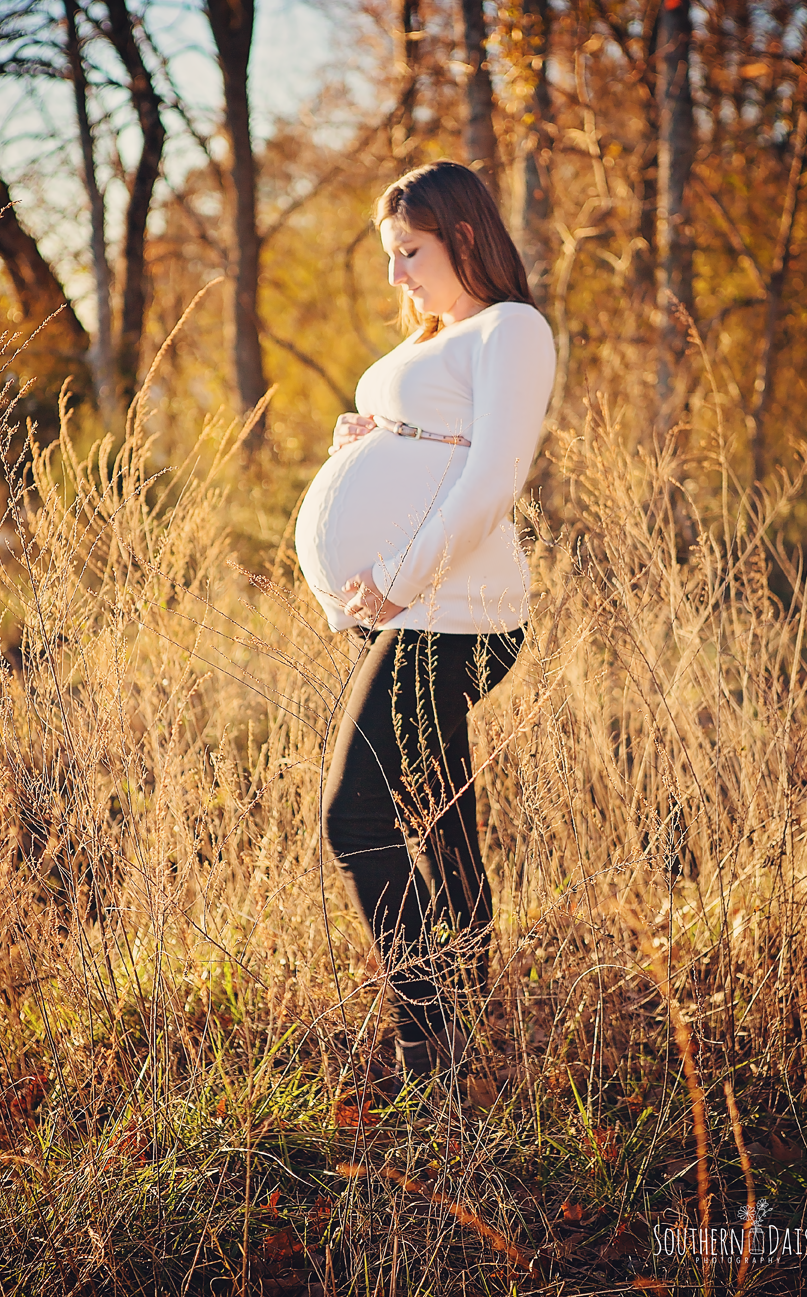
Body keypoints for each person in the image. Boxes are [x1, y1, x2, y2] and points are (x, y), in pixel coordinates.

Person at [294, 160, 555, 1087]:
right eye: (390, 254)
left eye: (410, 252)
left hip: (452, 614)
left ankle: (429, 1046)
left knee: (354, 813)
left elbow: (491, 480)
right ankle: (470, 1020)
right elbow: (435, 444)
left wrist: (399, 577)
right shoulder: (434, 338)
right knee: (438, 818)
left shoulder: (510, 329)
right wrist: (367, 441)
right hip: (409, 613)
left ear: (464, 237)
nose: (394, 273)